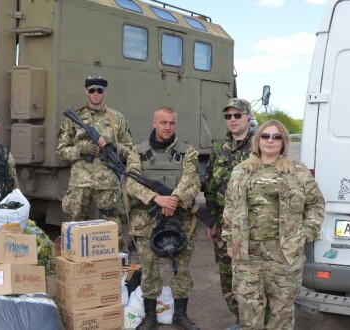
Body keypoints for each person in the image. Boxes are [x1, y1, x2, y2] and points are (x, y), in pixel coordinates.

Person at [222, 120, 324, 330]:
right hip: (247, 252)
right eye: (265, 136)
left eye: (276, 137)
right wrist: (230, 241)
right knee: (249, 312)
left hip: (283, 253)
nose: (270, 140)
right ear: (258, 139)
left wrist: (304, 233)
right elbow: (230, 209)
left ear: (283, 142)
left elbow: (316, 204)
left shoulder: (297, 171)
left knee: (281, 313)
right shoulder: (241, 171)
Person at [124, 106, 201, 330]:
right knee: (149, 270)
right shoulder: (136, 151)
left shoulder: (188, 151)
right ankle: (150, 317)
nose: (168, 127)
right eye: (163, 122)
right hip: (146, 220)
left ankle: (180, 316)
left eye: (172, 123)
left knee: (182, 270)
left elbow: (192, 180)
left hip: (181, 221)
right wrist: (156, 198)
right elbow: (130, 182)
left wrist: (174, 199)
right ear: (154, 123)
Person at [56, 75, 132, 242]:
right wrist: (82, 150)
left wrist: (113, 145)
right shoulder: (74, 118)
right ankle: (74, 264)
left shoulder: (117, 119)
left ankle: (115, 262)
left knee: (113, 230)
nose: (95, 93)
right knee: (73, 227)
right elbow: (61, 151)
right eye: (92, 90)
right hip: (80, 183)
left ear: (106, 91)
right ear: (86, 91)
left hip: (108, 183)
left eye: (100, 90)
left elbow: (130, 152)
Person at [203, 98, 253, 328]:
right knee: (227, 276)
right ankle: (240, 319)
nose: (232, 120)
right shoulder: (219, 148)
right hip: (224, 224)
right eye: (228, 116)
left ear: (248, 116)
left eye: (237, 115)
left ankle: (254, 320)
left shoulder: (260, 146)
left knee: (252, 276)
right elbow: (210, 186)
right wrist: (211, 221)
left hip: (252, 226)